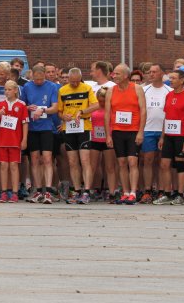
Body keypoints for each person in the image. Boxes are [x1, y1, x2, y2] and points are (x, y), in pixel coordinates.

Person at [153, 70, 184, 205]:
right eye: (170, 78)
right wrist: (162, 137)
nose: (170, 80)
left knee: (180, 164)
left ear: (182, 80)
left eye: (173, 78)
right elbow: (166, 117)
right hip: (168, 135)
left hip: (181, 136)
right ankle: (167, 194)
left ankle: (180, 195)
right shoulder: (169, 95)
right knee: (164, 164)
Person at [105, 63, 146, 205]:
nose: (114, 76)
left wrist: (141, 131)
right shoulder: (111, 90)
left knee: (132, 161)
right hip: (117, 131)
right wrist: (108, 135)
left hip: (133, 130)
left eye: (117, 74)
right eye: (113, 73)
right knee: (121, 162)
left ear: (125, 75)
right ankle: (125, 192)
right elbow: (107, 114)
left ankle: (133, 192)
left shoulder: (137, 89)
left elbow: (143, 111)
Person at [58, 68, 99, 204]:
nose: (75, 84)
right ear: (68, 79)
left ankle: (86, 191)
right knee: (72, 161)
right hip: (69, 128)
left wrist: (82, 111)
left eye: (77, 81)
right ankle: (76, 190)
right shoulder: (63, 90)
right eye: (72, 82)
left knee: (85, 160)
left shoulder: (87, 88)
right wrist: (63, 116)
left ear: (80, 78)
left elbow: (96, 105)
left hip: (84, 127)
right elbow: (59, 111)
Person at [21, 64, 60, 203]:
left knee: (47, 159)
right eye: (36, 79)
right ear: (32, 76)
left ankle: (48, 191)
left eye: (41, 79)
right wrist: (28, 108)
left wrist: (43, 110)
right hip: (32, 128)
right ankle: (37, 190)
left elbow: (55, 108)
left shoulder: (52, 87)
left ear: (44, 76)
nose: (39, 81)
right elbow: (21, 105)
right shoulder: (27, 87)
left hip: (46, 128)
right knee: (34, 159)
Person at [0, 80, 28, 203]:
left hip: (15, 140)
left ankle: (14, 192)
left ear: (15, 90)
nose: (7, 92)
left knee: (13, 165)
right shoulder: (0, 104)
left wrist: (24, 139)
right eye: (5, 89)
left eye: (9, 89)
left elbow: (25, 123)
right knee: (3, 165)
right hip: (2, 140)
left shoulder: (22, 105)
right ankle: (3, 192)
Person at [140, 64, 170, 203]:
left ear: (162, 73)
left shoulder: (169, 90)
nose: (151, 74)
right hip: (147, 129)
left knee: (163, 162)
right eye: (149, 72)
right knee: (148, 160)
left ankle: (161, 190)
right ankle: (147, 190)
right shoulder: (143, 90)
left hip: (165, 130)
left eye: (154, 72)